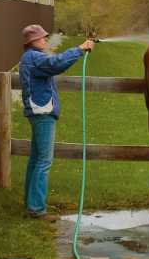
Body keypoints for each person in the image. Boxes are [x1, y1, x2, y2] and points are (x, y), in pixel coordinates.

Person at [19, 24, 95, 220]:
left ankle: (31, 204)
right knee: (44, 161)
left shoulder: (29, 58)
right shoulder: (35, 58)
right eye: (42, 37)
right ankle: (36, 208)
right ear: (32, 42)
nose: (45, 39)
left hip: (37, 111)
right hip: (43, 112)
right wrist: (79, 49)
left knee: (36, 159)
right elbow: (56, 64)